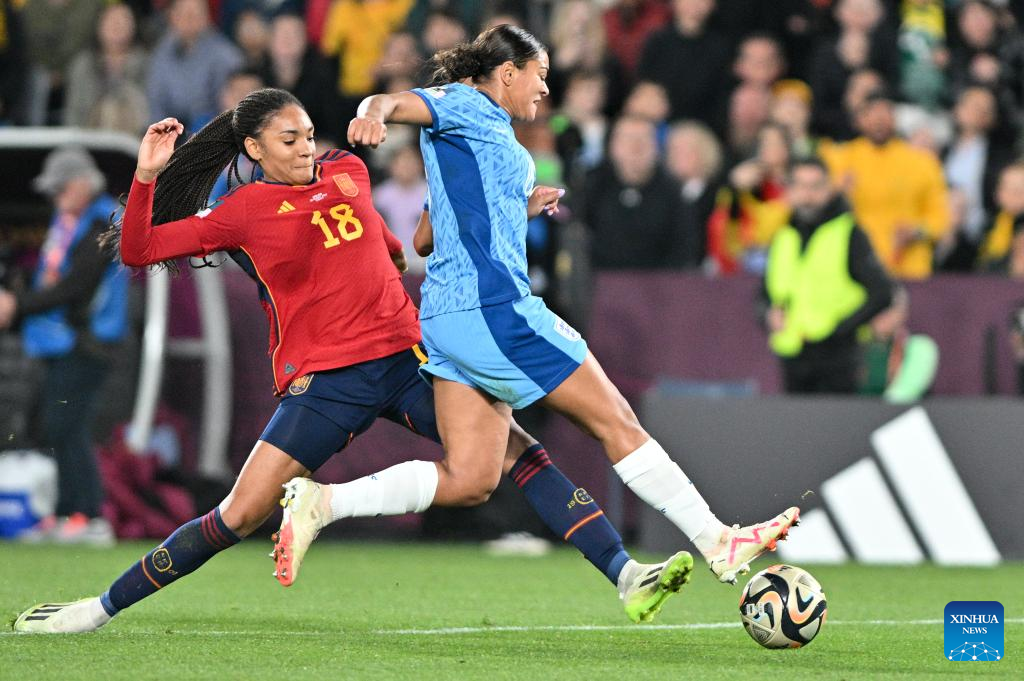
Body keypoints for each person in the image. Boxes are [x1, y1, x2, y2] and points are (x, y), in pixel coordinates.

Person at [13, 89, 688, 634]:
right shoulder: (241, 212)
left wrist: (466, 227)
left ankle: (626, 573)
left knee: (516, 452)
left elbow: (393, 246)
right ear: (254, 149)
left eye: (309, 135)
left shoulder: (349, 171)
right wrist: (145, 177)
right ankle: (96, 609)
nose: (306, 148)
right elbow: (138, 250)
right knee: (237, 516)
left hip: (406, 359)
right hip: (325, 382)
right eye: (289, 140)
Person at [281, 24, 798, 593]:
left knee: (471, 477)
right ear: (507, 73)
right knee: (616, 420)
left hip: (449, 317)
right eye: (541, 75)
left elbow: (427, 238)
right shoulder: (467, 104)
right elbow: (390, 102)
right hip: (494, 308)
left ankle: (323, 503)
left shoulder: (480, 140)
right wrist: (373, 114)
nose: (546, 89)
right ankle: (717, 541)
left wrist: (517, 206)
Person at [0, 147, 127, 545]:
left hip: (88, 343)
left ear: (82, 184)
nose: (55, 197)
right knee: (58, 428)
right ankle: (66, 513)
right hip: (64, 343)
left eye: (60, 189)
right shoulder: (70, 222)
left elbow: (75, 288)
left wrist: (17, 305)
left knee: (67, 427)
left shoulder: (103, 225)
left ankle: (90, 516)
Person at [760, 157, 893, 393]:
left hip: (838, 358)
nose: (808, 195)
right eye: (800, 186)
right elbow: (767, 291)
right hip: (793, 354)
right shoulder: (784, 236)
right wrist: (767, 314)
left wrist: (840, 330)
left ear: (828, 189)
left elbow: (882, 292)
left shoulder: (848, 233)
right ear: (790, 190)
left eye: (815, 186)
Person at [820, 90, 950, 279]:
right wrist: (837, 193)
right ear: (857, 120)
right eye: (871, 113)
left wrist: (917, 231)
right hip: (852, 267)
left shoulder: (923, 163)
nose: (879, 120)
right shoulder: (838, 159)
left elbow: (940, 219)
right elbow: (817, 210)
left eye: (885, 113)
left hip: (908, 269)